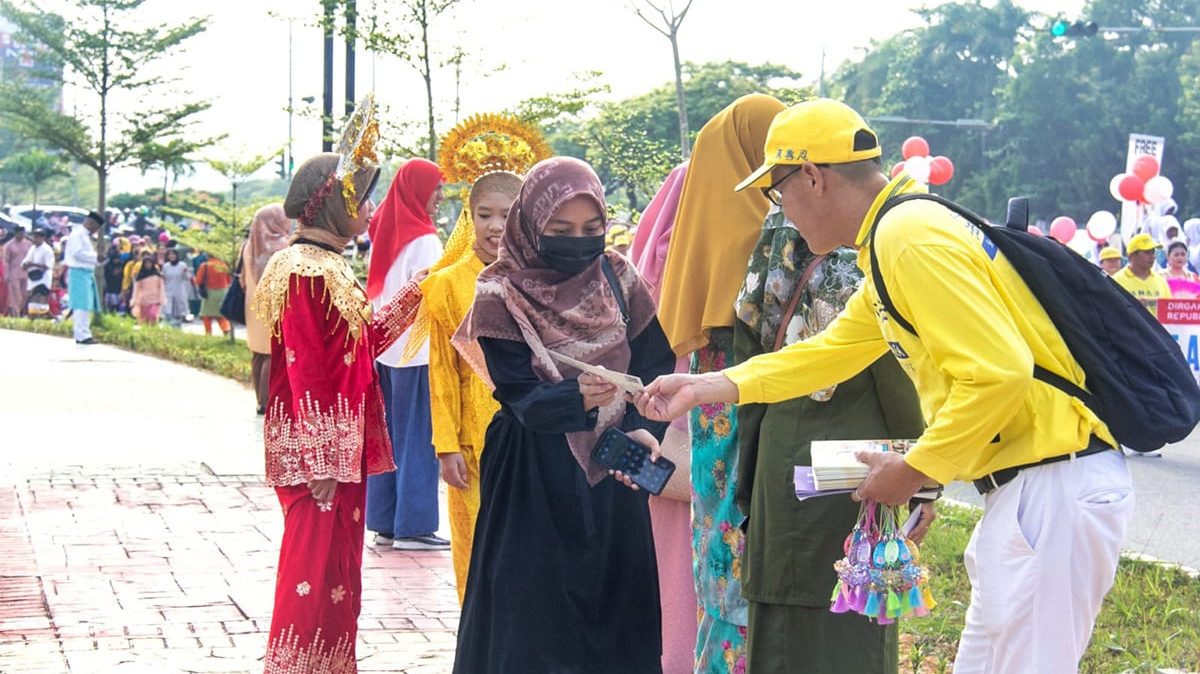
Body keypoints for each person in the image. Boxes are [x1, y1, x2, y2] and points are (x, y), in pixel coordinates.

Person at [634, 99, 1134, 674]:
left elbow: (1001, 372)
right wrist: (709, 385)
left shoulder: (907, 237)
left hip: (1054, 484)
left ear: (814, 178)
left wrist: (916, 469)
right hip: (1029, 488)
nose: (783, 213)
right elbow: (828, 353)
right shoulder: (890, 236)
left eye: (779, 193)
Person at [451, 157, 674, 674]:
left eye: (591, 229)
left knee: (617, 613)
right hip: (534, 476)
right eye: (561, 229)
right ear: (532, 224)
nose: (579, 240)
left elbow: (654, 362)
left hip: (612, 469)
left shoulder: (618, 275)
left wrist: (644, 428)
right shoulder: (500, 290)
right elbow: (518, 393)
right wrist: (579, 399)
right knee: (532, 621)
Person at [256, 133, 427, 672]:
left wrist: (421, 289)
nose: (372, 209)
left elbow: (362, 342)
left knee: (335, 573)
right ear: (337, 200)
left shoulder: (322, 263)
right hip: (319, 451)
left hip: (335, 444)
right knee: (312, 569)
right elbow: (307, 367)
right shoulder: (305, 268)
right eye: (363, 196)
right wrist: (324, 458)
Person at [732, 204, 927, 673]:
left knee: (780, 627)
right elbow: (901, 392)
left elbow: (748, 390)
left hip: (777, 470)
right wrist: (922, 482)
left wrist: (749, 487)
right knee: (852, 624)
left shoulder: (760, 284)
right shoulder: (868, 289)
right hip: (857, 476)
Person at [655, 92, 785, 672]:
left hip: (710, 392)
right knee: (747, 536)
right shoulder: (762, 227)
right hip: (750, 395)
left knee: (717, 537)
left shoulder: (702, 215)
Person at [418, 171, 521, 603]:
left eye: (507, 215)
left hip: (527, 433)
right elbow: (440, 370)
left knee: (522, 545)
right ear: (469, 216)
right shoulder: (444, 285)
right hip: (471, 440)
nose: (495, 226)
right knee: (475, 544)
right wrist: (446, 444)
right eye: (485, 215)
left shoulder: (537, 280)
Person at [630, 161, 699, 674]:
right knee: (686, 569)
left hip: (657, 428)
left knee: (666, 566)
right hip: (692, 428)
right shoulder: (705, 249)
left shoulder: (649, 254)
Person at [364, 158, 448, 551]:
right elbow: (435, 298)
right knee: (419, 439)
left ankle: (385, 521)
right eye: (436, 189)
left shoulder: (385, 231)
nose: (440, 198)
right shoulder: (426, 240)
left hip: (387, 350)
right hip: (419, 350)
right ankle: (414, 526)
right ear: (418, 190)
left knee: (391, 438)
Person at [243, 204, 293, 415]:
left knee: (258, 353)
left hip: (252, 304)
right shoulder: (282, 246)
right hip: (273, 304)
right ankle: (267, 402)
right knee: (272, 353)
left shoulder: (248, 245)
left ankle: (259, 399)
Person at [1113, 233, 1171, 315]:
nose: (1152, 256)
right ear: (1132, 255)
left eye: (1153, 252)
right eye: (1147, 252)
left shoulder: (1161, 281)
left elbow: (1169, 311)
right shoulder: (1116, 281)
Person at [194, 253, 232, 335]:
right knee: (221, 314)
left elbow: (198, 281)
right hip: (223, 292)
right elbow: (229, 280)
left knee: (207, 315)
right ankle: (225, 328)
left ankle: (208, 333)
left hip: (209, 292)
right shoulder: (224, 266)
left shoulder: (205, 266)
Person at [21, 228, 54, 319]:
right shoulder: (32, 248)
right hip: (33, 277)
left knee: (39, 299)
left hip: (43, 279)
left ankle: (41, 318)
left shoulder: (47, 250)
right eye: (34, 237)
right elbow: (27, 260)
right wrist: (25, 265)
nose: (35, 239)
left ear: (42, 238)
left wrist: (33, 264)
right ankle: (37, 318)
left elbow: (48, 265)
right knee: (32, 300)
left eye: (37, 237)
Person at [130, 252, 166, 324]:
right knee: (144, 319)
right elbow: (136, 290)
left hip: (155, 299)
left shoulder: (157, 276)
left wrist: (161, 299)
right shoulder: (140, 277)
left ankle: (154, 330)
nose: (148, 265)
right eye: (146, 263)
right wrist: (134, 301)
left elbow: (161, 288)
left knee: (153, 315)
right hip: (143, 300)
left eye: (150, 263)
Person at [4, 226, 32, 316]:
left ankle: (21, 311)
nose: (22, 235)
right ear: (16, 233)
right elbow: (6, 261)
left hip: (25, 272)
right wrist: (6, 274)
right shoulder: (9, 245)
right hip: (13, 273)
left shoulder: (28, 244)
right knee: (16, 295)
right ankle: (16, 314)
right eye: (20, 233)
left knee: (25, 294)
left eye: (23, 233)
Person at [161, 248, 192, 327]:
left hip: (179, 291)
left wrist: (185, 273)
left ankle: (178, 328)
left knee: (179, 313)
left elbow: (187, 278)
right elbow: (163, 279)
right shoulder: (165, 266)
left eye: (173, 254)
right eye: (169, 254)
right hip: (168, 291)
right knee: (168, 312)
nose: (171, 256)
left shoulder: (182, 265)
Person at [103, 242, 129, 313]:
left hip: (118, 287)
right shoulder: (108, 266)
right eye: (115, 259)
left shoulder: (121, 265)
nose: (116, 261)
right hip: (109, 287)